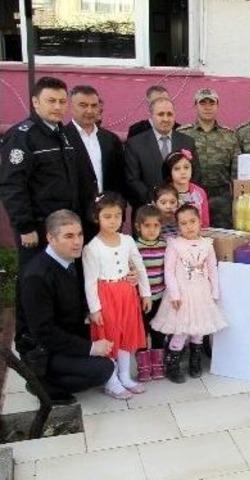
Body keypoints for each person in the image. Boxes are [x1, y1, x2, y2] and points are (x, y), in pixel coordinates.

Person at [16, 210, 114, 405]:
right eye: (69, 236)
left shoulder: (71, 260)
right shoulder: (37, 276)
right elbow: (44, 333)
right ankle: (43, 383)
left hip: (67, 332)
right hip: (42, 349)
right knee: (104, 368)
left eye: (79, 234)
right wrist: (90, 348)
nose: (77, 242)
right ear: (50, 238)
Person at [0, 76, 93, 271]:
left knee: (61, 280)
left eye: (62, 101)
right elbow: (12, 185)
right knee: (34, 281)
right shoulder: (22, 136)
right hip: (39, 229)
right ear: (35, 102)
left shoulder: (64, 134)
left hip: (66, 227)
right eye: (51, 101)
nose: (58, 107)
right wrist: (25, 227)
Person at [82, 193, 151, 399]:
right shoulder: (92, 247)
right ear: (97, 218)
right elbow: (90, 281)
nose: (113, 220)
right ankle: (111, 380)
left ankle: (125, 375)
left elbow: (139, 268)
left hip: (126, 294)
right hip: (106, 296)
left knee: (126, 336)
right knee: (110, 337)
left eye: (117, 215)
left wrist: (145, 293)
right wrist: (95, 309)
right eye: (107, 216)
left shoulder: (127, 240)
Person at [152, 204, 228, 383]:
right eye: (184, 223)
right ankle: (172, 363)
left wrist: (214, 291)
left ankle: (196, 360)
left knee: (199, 329)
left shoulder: (207, 244)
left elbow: (212, 269)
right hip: (182, 295)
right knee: (182, 329)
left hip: (202, 293)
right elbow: (169, 271)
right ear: (178, 226)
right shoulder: (175, 245)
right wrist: (175, 294)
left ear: (200, 221)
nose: (189, 226)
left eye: (192, 221)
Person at [65, 85, 125, 236]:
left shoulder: (110, 139)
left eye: (94, 105)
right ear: (71, 107)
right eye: (83, 105)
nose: (89, 111)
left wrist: (119, 212)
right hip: (74, 217)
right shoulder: (61, 139)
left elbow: (120, 179)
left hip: (108, 216)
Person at [177, 88, 240, 228]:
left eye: (211, 103)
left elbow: (236, 173)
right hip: (190, 195)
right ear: (195, 105)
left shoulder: (229, 136)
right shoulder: (183, 134)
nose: (207, 107)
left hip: (221, 197)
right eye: (202, 103)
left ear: (217, 105)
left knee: (222, 238)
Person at [125, 97, 198, 209]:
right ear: (151, 116)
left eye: (169, 114)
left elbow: (195, 175)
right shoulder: (135, 144)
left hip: (182, 211)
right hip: (148, 210)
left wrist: (180, 200)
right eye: (161, 114)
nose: (166, 119)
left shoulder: (187, 142)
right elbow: (132, 179)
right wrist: (156, 200)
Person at [134, 205, 167, 382]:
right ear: (138, 226)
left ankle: (157, 364)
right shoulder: (134, 247)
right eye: (147, 226)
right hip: (141, 300)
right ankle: (143, 366)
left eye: (156, 225)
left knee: (158, 331)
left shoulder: (165, 245)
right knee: (141, 332)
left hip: (160, 297)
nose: (152, 230)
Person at [162, 149, 210, 228]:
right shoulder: (164, 193)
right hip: (170, 236)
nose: (183, 172)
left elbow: (205, 223)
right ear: (169, 172)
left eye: (186, 167)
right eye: (177, 169)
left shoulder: (199, 192)